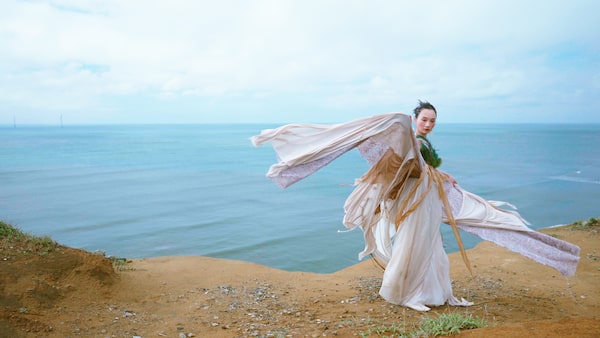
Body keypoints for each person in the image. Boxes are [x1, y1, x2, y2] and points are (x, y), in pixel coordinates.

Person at [251, 101, 580, 312]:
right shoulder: (407, 137)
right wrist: (424, 165)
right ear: (415, 119)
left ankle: (433, 293)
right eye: (425, 119)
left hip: (427, 198)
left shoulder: (422, 144)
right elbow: (408, 167)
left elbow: (422, 166)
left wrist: (438, 173)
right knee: (413, 243)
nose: (429, 124)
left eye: (433, 120)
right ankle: (403, 292)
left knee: (431, 245)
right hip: (417, 200)